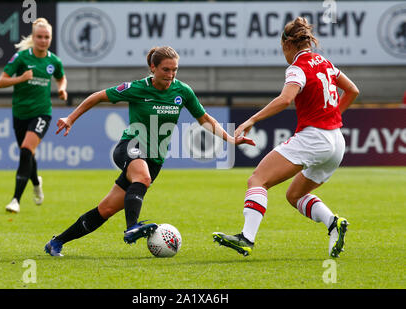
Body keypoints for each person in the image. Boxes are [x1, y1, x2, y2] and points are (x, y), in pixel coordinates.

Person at [44, 46, 255, 256]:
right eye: (166, 69)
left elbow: (205, 119)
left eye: (174, 70)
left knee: (106, 209)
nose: (171, 75)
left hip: (155, 159)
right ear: (152, 68)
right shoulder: (137, 88)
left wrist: (230, 139)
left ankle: (56, 242)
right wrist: (70, 118)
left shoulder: (182, 91)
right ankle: (132, 227)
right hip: (130, 146)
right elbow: (99, 96)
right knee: (142, 178)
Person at [213, 17, 359, 258]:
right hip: (336, 141)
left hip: (314, 137)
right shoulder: (326, 63)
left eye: (282, 49)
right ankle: (333, 223)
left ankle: (246, 237)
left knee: (257, 179)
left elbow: (285, 99)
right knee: (294, 195)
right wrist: (332, 114)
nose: (284, 54)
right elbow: (353, 90)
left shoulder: (297, 67)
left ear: (287, 45)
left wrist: (252, 120)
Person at [0, 18, 67, 213]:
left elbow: (61, 77)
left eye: (46, 37)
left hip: (42, 113)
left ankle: (15, 200)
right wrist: (21, 78)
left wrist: (62, 89)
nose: (43, 40)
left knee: (26, 149)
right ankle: (36, 181)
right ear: (33, 37)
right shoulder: (20, 58)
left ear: (50, 38)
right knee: (28, 153)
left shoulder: (54, 60)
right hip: (20, 113)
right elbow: (1, 82)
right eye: (39, 37)